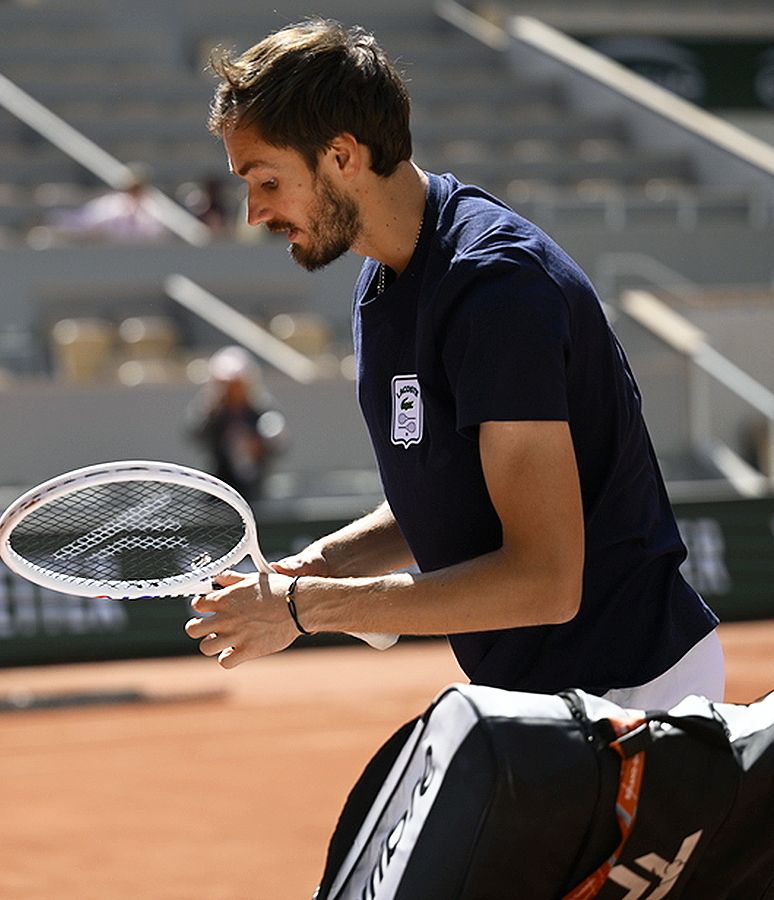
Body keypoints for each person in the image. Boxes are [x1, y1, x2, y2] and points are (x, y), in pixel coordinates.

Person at [185, 19, 723, 709]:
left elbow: (546, 581)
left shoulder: (496, 287)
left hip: (634, 691)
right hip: (539, 699)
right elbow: (454, 495)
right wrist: (320, 568)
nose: (254, 212)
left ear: (342, 156)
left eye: (266, 180)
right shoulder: (385, 281)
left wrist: (305, 606)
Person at [186, 345, 286, 502]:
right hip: (219, 491)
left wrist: (256, 444)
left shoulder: (261, 411)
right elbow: (195, 432)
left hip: (255, 493)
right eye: (227, 386)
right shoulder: (213, 413)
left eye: (237, 385)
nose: (232, 390)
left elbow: (278, 442)